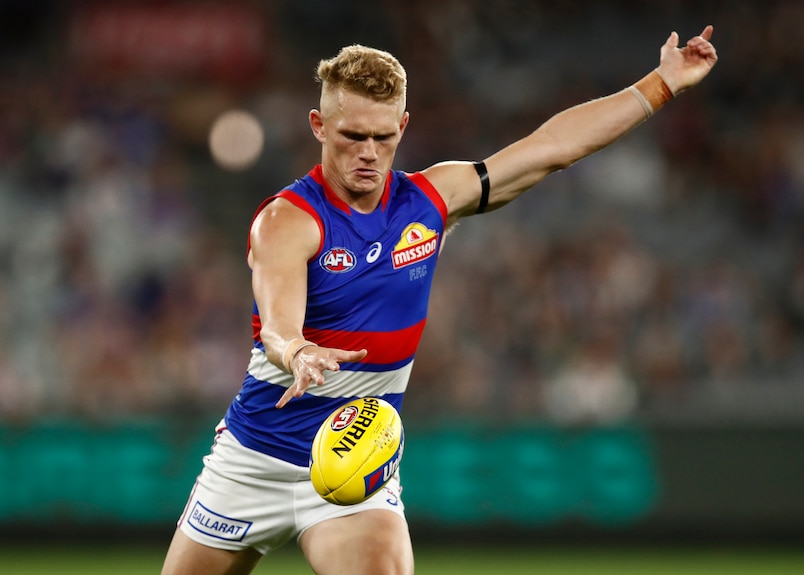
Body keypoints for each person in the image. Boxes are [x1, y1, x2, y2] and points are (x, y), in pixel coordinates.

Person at [161, 25, 717, 575]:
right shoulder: (288, 221)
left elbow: (553, 148)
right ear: (319, 126)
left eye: (383, 137)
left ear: (403, 126)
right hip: (253, 460)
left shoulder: (431, 200)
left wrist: (662, 83)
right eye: (353, 136)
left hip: (358, 459)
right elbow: (279, 324)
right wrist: (298, 351)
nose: (369, 154)